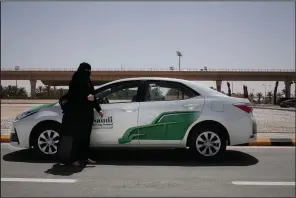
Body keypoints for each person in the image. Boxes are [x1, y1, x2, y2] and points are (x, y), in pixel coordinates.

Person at [60, 62, 103, 167]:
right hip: (77, 114)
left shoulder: (88, 81)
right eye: (86, 70)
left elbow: (93, 96)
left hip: (88, 113)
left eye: (89, 70)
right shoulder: (75, 81)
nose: (88, 72)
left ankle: (84, 157)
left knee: (86, 137)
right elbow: (73, 97)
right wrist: (85, 98)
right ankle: (73, 159)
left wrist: (99, 109)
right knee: (77, 137)